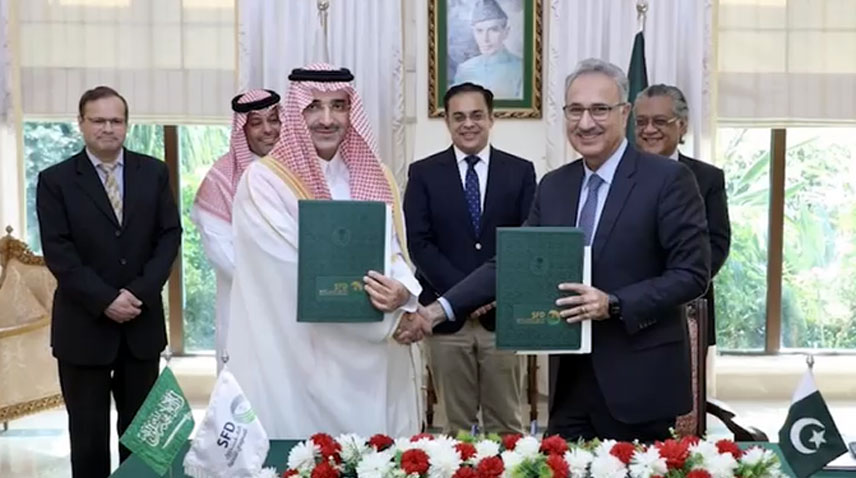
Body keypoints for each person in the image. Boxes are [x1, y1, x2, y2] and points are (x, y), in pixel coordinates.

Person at [412, 59, 711, 442]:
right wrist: (437, 311)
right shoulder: (555, 186)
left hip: (639, 381)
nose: (586, 123)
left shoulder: (668, 180)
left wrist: (614, 303)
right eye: (575, 110)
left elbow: (691, 274)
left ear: (624, 113)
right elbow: (512, 263)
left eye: (599, 109)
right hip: (569, 387)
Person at [227, 64, 426, 439]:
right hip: (303, 361)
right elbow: (290, 272)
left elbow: (393, 251)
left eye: (338, 106)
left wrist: (405, 295)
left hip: (374, 365)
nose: (327, 119)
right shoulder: (264, 182)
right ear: (295, 112)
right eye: (314, 107)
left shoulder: (376, 174)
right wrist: (392, 320)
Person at [36, 86, 181, 478]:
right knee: (87, 441)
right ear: (81, 124)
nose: (107, 128)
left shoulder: (153, 172)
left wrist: (138, 292)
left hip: (140, 325)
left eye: (116, 120)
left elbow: (169, 236)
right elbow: (59, 252)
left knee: (143, 440)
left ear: (126, 125)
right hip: (83, 329)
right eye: (98, 120)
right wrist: (105, 300)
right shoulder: (55, 180)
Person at [404, 82, 535, 434]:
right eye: (458, 116)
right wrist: (464, 296)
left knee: (507, 425)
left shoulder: (520, 171)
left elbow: (526, 241)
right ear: (447, 121)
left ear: (492, 118)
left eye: (477, 115)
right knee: (454, 429)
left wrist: (489, 293)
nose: (468, 124)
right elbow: (419, 244)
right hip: (446, 321)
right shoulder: (423, 173)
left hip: (502, 318)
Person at [190, 89, 283, 372]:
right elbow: (220, 250)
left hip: (296, 303)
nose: (268, 130)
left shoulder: (302, 170)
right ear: (243, 129)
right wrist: (275, 279)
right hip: (245, 300)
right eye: (256, 123)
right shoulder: (222, 177)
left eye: (274, 120)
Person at [634, 84, 731, 349]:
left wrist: (676, 286)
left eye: (659, 121)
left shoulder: (707, 178)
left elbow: (717, 244)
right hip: (627, 308)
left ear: (682, 126)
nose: (649, 130)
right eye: (641, 121)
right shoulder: (617, 175)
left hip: (686, 307)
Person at [452, 0, 523, 99]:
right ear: (473, 32)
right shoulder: (464, 69)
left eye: (493, 30)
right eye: (479, 31)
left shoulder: (521, 69)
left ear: (506, 32)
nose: (485, 39)